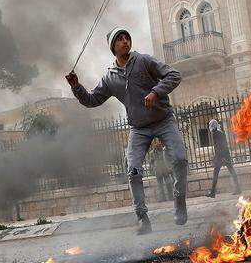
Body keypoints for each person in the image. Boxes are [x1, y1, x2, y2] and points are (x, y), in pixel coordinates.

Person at [65, 27, 188, 235]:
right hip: (138, 128)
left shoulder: (144, 61)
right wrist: (77, 87)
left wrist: (156, 92)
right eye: (120, 39)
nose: (125, 41)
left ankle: (179, 199)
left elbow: (174, 75)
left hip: (163, 120)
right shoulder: (110, 78)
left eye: (127, 38)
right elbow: (92, 100)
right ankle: (142, 218)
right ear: (113, 47)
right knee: (133, 171)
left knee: (180, 159)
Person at [205, 119, 241, 198]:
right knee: (231, 171)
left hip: (221, 156)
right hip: (225, 155)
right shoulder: (220, 131)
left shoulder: (215, 133)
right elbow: (222, 145)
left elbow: (219, 146)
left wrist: (219, 157)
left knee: (216, 174)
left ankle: (213, 192)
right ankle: (238, 188)